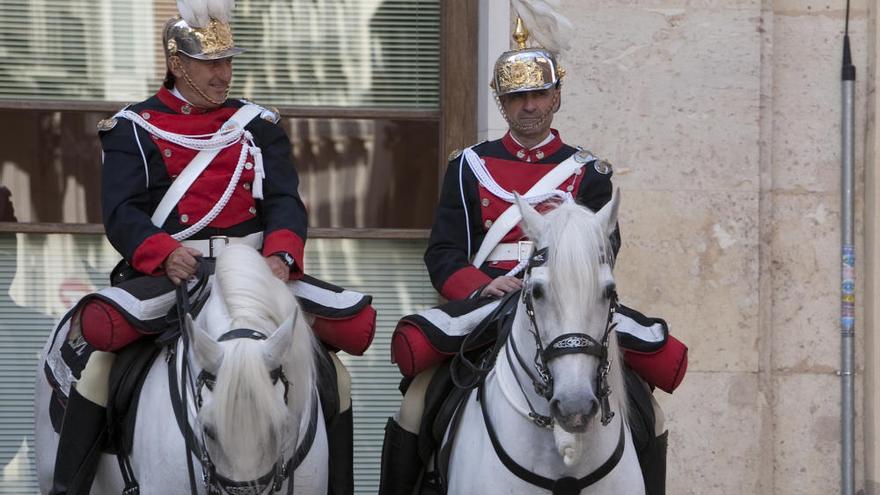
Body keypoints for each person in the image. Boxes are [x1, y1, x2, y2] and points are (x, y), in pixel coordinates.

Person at [50, 7, 356, 495]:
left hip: (253, 273)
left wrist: (282, 255)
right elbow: (122, 212)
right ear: (177, 63)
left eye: (227, 61)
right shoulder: (133, 127)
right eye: (209, 62)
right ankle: (69, 487)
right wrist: (161, 250)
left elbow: (283, 202)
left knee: (331, 372)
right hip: (172, 272)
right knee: (100, 367)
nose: (222, 73)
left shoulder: (257, 125)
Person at [379, 18, 669, 495]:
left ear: (556, 97)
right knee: (416, 402)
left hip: (567, 303)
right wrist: (479, 284)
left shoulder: (588, 172)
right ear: (502, 102)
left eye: (539, 95)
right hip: (488, 302)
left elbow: (605, 248)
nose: (529, 106)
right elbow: (444, 251)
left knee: (647, 409)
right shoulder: (468, 166)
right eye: (516, 97)